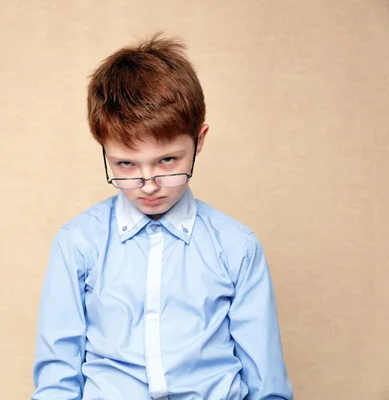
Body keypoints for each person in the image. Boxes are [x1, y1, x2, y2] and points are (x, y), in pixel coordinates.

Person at [31, 33, 293, 400]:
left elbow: (266, 383)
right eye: (125, 164)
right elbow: (57, 378)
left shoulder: (237, 247)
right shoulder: (78, 242)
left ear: (198, 141)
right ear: (103, 148)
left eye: (168, 161)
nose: (148, 184)